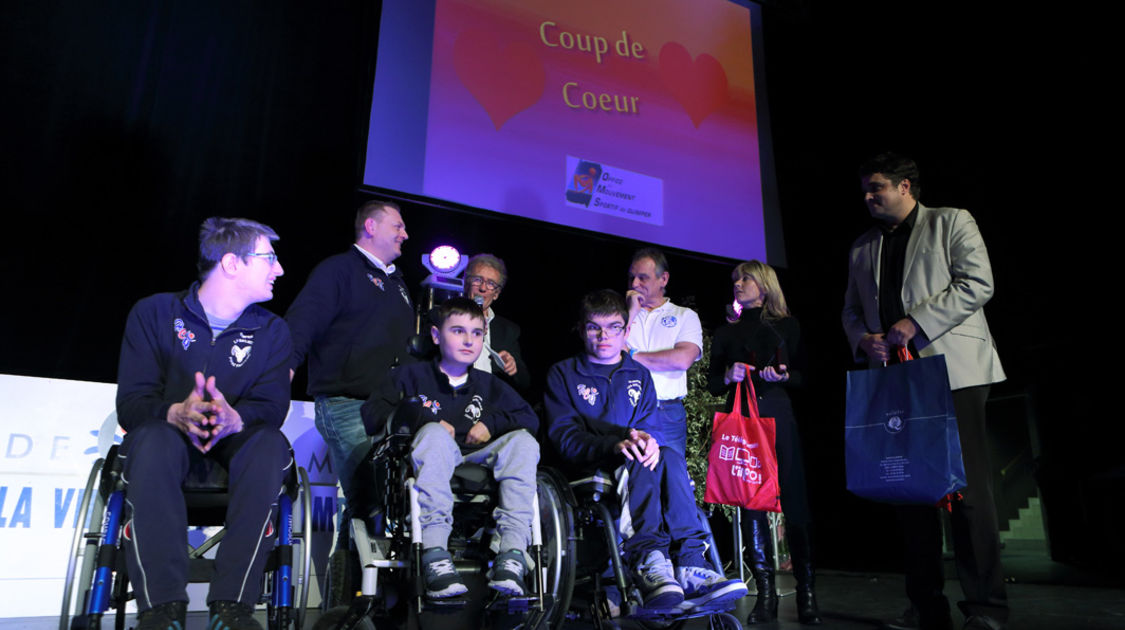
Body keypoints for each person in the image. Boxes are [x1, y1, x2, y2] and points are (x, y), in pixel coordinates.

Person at [842, 152, 1007, 630]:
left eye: (877, 188)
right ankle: (925, 606)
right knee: (909, 491)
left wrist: (916, 322)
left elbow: (978, 282)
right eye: (866, 191)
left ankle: (985, 609)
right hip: (897, 380)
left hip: (954, 372)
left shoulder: (951, 221)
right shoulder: (861, 247)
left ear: (906, 186)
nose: (869, 197)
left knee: (968, 492)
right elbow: (850, 311)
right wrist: (862, 339)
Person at [115, 217, 294, 630]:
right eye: (270, 258)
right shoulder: (155, 312)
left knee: (269, 444)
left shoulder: (272, 331)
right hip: (167, 445)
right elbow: (132, 402)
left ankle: (232, 607)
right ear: (232, 263)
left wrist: (237, 417)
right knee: (153, 441)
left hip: (237, 451)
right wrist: (175, 412)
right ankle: (162, 610)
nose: (279, 269)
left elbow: (270, 406)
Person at [545, 289, 747, 610]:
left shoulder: (638, 373)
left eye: (613, 327)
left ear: (626, 331)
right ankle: (648, 560)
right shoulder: (563, 374)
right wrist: (618, 442)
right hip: (591, 467)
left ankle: (692, 564)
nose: (603, 336)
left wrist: (647, 439)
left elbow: (649, 426)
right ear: (582, 330)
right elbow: (566, 437)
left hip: (637, 464)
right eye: (594, 327)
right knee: (638, 454)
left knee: (666, 454)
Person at [361, 297, 540, 598]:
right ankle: (435, 554)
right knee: (433, 435)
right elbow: (373, 415)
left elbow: (529, 418)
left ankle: (512, 553)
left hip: (476, 456)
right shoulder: (408, 376)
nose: (469, 340)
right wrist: (423, 419)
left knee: (524, 442)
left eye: (477, 333)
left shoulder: (489, 384)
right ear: (435, 336)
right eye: (458, 331)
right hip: (429, 454)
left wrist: (490, 425)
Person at [284, 200, 415, 535]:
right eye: (397, 226)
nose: (406, 234)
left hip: (390, 410)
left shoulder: (399, 284)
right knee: (369, 502)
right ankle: (357, 587)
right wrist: (283, 368)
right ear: (371, 227)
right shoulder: (338, 270)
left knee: (384, 505)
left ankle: (357, 585)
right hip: (348, 406)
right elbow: (303, 322)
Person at [708, 260, 822, 625]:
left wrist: (784, 375)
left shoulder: (787, 326)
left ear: (765, 284)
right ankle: (766, 596)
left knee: (796, 501)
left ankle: (806, 593)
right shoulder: (726, 333)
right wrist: (729, 373)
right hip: (742, 423)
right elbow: (712, 384)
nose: (738, 284)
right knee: (751, 504)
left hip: (778, 418)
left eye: (745, 278)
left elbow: (805, 377)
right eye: (735, 280)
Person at [624, 248, 703, 456]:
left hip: (666, 412)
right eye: (632, 277)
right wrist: (630, 313)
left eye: (643, 278)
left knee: (670, 475)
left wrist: (633, 356)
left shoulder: (685, 315)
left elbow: (683, 359)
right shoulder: (623, 316)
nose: (634, 284)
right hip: (627, 409)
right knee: (628, 479)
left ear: (663, 279)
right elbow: (610, 352)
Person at [463, 253, 530, 391]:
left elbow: (525, 382)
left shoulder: (507, 331)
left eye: (491, 284)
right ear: (466, 283)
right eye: (477, 280)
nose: (483, 288)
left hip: (489, 404)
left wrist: (512, 367)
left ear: (496, 294)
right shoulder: (444, 317)